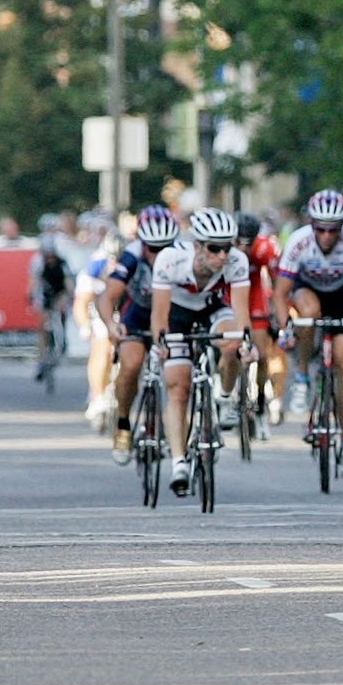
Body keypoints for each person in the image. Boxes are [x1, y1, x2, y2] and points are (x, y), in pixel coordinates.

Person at [274, 189, 343, 477]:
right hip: (307, 290)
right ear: (311, 225)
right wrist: (286, 328)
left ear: (342, 227)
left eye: (333, 229)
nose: (326, 235)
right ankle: (301, 376)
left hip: (340, 297)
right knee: (308, 314)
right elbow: (281, 293)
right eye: (320, 229)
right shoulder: (298, 241)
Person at [150, 208, 252, 495]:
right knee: (178, 388)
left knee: (232, 343)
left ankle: (224, 397)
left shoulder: (237, 261)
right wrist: (160, 344)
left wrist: (246, 344)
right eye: (214, 248)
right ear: (197, 246)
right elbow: (159, 314)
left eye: (227, 247)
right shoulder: (170, 259)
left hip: (212, 309)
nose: (222, 255)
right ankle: (179, 462)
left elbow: (241, 313)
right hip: (177, 315)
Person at [100, 205, 177, 466]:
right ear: (143, 244)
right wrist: (111, 324)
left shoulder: (182, 254)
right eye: (153, 249)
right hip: (138, 314)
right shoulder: (132, 255)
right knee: (131, 365)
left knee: (179, 371)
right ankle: (123, 425)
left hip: (170, 315)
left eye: (165, 248)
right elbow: (107, 297)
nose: (158, 255)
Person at [236, 211, 287, 426]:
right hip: (232, 298)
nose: (243, 249)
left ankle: (259, 402)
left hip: (255, 298)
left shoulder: (265, 248)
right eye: (239, 243)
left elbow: (277, 283)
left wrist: (277, 310)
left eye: (249, 244)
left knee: (262, 355)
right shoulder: (223, 249)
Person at [73, 234, 119, 431]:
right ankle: (98, 396)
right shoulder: (95, 266)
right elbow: (81, 301)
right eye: (112, 259)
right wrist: (85, 325)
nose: (115, 263)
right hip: (100, 308)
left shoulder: (134, 263)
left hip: (123, 308)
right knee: (103, 347)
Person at [29, 236, 73, 382]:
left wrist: (65, 298)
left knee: (61, 310)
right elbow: (34, 282)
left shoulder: (62, 263)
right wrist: (31, 296)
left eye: (51, 256)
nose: (49, 259)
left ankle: (62, 340)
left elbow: (68, 285)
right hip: (45, 293)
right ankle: (41, 358)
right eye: (47, 256)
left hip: (60, 291)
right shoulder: (38, 263)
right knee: (42, 324)